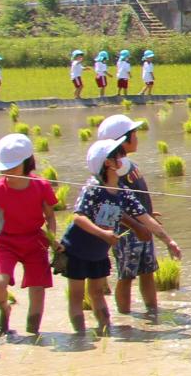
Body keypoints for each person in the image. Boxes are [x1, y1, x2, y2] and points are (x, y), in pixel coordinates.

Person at [63, 137, 177, 336]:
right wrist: (104, 234)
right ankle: (80, 337)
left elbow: (145, 218)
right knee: (77, 295)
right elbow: (78, 217)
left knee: (97, 293)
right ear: (108, 163)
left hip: (98, 251)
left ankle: (105, 333)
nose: (123, 158)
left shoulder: (123, 192)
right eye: (119, 155)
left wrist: (169, 241)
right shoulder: (93, 188)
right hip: (77, 249)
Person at [97, 113, 167, 320]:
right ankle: (125, 317)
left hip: (143, 228)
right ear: (122, 140)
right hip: (127, 232)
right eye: (134, 134)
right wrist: (136, 223)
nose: (137, 137)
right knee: (126, 275)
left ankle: (152, 313)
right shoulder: (113, 170)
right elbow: (112, 205)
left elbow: (133, 198)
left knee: (148, 271)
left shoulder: (127, 165)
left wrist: (147, 214)